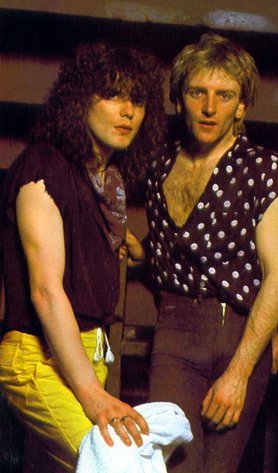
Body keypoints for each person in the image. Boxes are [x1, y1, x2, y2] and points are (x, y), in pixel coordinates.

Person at [0, 43, 166, 471]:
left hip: (89, 352)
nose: (128, 111)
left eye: (138, 101)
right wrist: (92, 394)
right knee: (113, 463)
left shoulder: (108, 182)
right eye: (113, 95)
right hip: (38, 356)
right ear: (80, 101)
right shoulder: (43, 165)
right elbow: (46, 291)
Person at [143, 33, 278, 473]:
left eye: (224, 96)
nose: (210, 107)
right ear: (179, 99)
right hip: (174, 327)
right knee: (173, 467)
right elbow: (171, 254)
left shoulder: (264, 169)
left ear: (241, 106)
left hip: (238, 333)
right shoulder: (158, 166)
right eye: (198, 93)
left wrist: (240, 372)